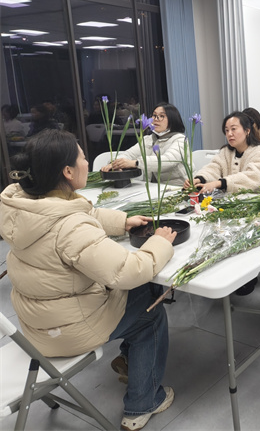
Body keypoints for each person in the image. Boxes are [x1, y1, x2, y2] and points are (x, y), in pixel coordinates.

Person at [0, 129, 177, 430]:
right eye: (82, 157)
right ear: (67, 171)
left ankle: (129, 361)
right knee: (150, 311)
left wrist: (122, 221)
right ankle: (142, 403)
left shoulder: (25, 205)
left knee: (141, 294)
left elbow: (80, 213)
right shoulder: (69, 226)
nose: (87, 162)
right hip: (69, 330)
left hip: (36, 325)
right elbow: (127, 271)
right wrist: (160, 242)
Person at [186, 111, 260, 194]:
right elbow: (213, 168)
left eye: (233, 129)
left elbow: (253, 177)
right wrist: (199, 179)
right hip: (234, 200)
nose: (229, 134)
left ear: (247, 131)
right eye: (227, 130)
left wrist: (219, 183)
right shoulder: (226, 152)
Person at [102, 103, 188, 187]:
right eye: (154, 115)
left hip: (178, 188)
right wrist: (115, 164)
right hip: (152, 188)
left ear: (172, 120)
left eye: (162, 116)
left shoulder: (180, 140)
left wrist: (135, 163)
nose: (156, 119)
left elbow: (168, 161)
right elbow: (129, 154)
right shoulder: (148, 139)